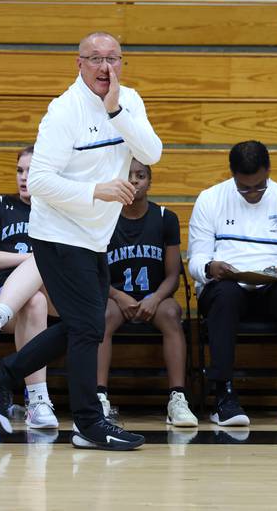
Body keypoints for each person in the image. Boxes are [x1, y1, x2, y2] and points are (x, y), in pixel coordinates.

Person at [0, 31, 161, 450]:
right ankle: (89, 424)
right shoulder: (62, 112)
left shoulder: (129, 100)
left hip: (95, 236)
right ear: (79, 63)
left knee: (82, 326)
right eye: (95, 58)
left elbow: (150, 151)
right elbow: (38, 181)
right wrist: (98, 190)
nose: (105, 67)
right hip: (57, 233)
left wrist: (117, 112)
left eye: (113, 58)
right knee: (89, 328)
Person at [187, 140, 277, 427]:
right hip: (226, 286)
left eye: (259, 186)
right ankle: (223, 395)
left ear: (269, 172)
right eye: (244, 187)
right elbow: (196, 261)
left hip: (272, 288)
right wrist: (210, 268)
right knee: (225, 294)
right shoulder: (210, 199)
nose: (251, 194)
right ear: (232, 175)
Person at [97, 159, 197, 427]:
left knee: (172, 312)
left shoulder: (166, 218)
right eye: (127, 176)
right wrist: (118, 296)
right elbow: (94, 274)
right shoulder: (103, 217)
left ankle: (178, 398)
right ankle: (100, 397)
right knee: (102, 315)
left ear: (150, 182)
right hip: (117, 299)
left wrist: (154, 298)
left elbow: (173, 276)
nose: (134, 180)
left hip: (155, 298)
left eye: (140, 175)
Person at [0, 146, 58, 429]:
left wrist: (39, 260)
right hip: (4, 288)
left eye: (31, 171)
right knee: (34, 302)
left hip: (56, 290)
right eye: (20, 170)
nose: (23, 177)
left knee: (40, 288)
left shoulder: (58, 209)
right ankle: (38, 401)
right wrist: (32, 259)